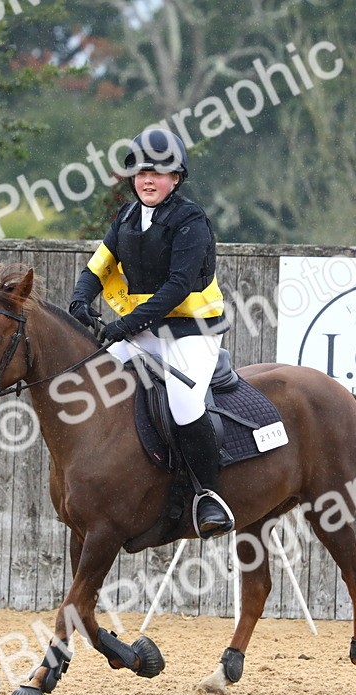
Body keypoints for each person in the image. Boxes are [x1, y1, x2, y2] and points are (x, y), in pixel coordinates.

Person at [67, 129, 234, 538]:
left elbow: (178, 287)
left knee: (182, 403)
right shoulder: (125, 218)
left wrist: (124, 326)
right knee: (91, 385)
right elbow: (97, 268)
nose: (148, 180)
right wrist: (79, 301)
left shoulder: (190, 220)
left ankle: (207, 496)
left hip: (191, 332)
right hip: (143, 331)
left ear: (175, 179)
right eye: (142, 173)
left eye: (158, 174)